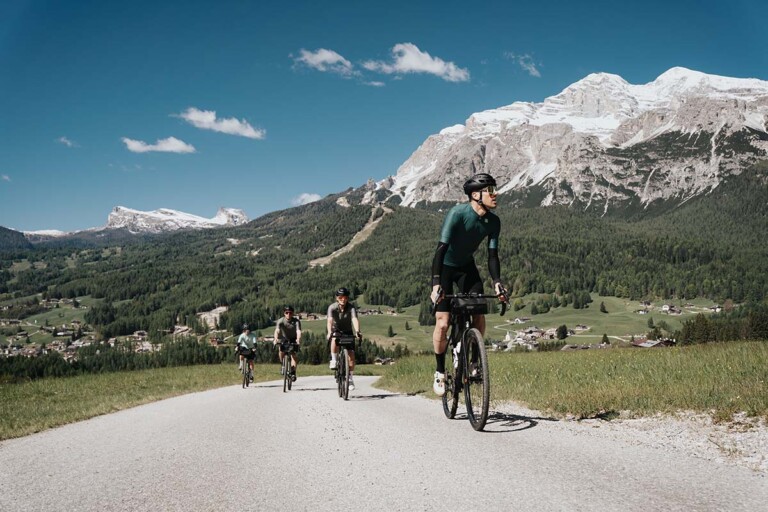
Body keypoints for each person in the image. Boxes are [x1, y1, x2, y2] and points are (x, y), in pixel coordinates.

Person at [430, 173, 508, 396]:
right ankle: (439, 371)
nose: (495, 194)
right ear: (475, 195)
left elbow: (492, 256)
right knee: (443, 323)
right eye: (490, 190)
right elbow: (440, 250)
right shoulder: (457, 214)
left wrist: (497, 283)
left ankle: (474, 360)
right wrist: (436, 284)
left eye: (494, 189)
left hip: (467, 268)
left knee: (478, 312)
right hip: (445, 268)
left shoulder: (494, 222)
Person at [326, 287, 362, 391]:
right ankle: (334, 359)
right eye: (341, 297)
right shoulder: (332, 307)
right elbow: (329, 320)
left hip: (348, 331)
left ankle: (350, 378)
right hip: (336, 330)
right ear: (337, 298)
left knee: (351, 355)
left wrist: (357, 331)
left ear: (347, 298)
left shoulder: (351, 308)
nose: (343, 299)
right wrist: (329, 332)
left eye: (345, 297)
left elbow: (354, 319)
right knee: (334, 338)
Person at [273, 305, 301, 381]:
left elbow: (298, 331)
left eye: (290, 313)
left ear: (293, 313)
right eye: (287, 312)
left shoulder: (296, 321)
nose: (288, 314)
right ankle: (282, 364)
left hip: (294, 339)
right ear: (284, 313)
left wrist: (298, 339)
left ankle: (293, 372)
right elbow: (277, 330)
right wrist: (275, 339)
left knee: (293, 355)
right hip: (284, 338)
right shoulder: (280, 321)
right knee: (281, 350)